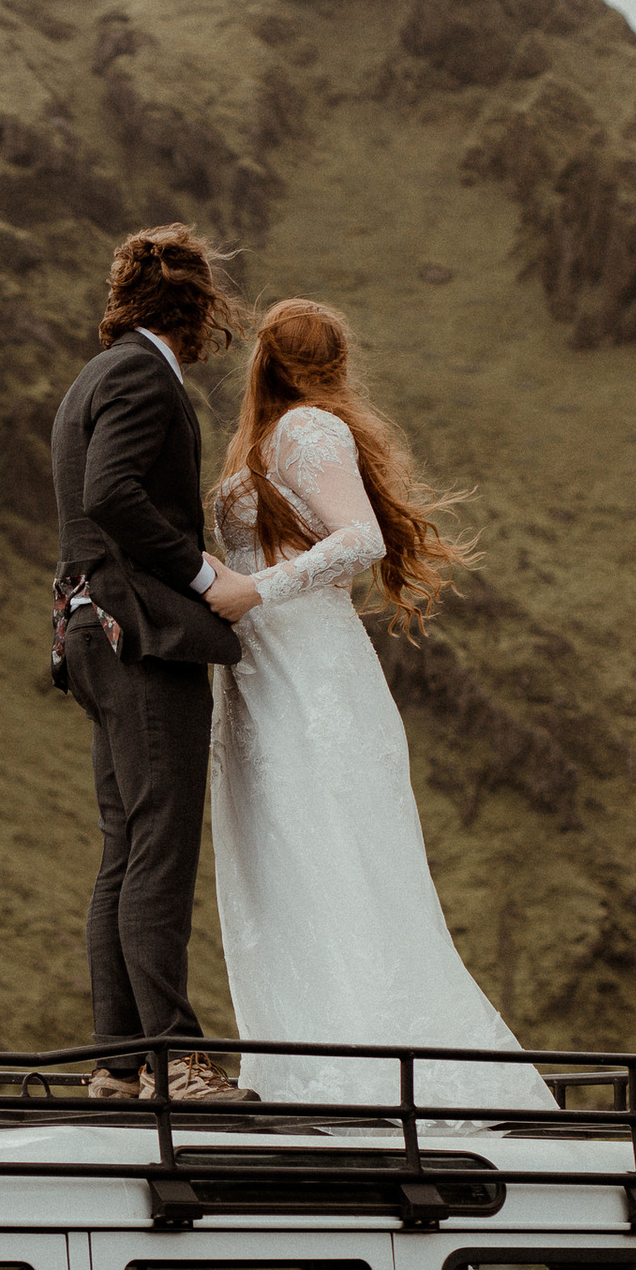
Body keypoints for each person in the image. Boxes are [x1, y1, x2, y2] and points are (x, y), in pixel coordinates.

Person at [199, 296, 552, 1115]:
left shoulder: (306, 432)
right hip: (263, 670)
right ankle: (299, 1065)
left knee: (334, 857)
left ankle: (366, 1071)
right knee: (277, 862)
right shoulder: (267, 437)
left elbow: (360, 539)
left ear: (266, 356)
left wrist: (256, 588)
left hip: (310, 671)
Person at [50, 224, 256, 1106]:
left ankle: (119, 1065)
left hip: (91, 635)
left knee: (126, 849)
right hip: (144, 634)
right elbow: (111, 494)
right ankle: (177, 1061)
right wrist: (207, 574)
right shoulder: (140, 376)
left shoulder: (91, 378)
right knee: (159, 849)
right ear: (197, 307)